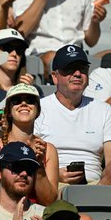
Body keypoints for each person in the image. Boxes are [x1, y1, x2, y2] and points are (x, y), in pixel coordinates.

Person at [34, 45, 111, 186]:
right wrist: (55, 174)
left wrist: (98, 189)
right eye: (69, 69)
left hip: (96, 184)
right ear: (55, 77)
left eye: (82, 69)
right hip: (51, 183)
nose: (77, 73)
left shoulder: (104, 110)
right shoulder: (39, 109)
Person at [0, 83, 58, 206]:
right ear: (8, 112)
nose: (23, 104)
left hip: (36, 214)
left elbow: (49, 201)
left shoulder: (48, 149)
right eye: (16, 100)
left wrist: (40, 167)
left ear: (38, 111)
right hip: (5, 209)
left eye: (30, 100)